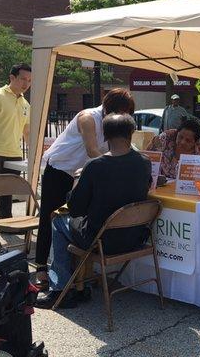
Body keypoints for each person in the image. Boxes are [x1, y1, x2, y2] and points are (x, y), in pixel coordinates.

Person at [36, 113, 152, 308]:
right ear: (131, 134)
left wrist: (76, 180)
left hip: (100, 240)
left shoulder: (94, 166)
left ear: (104, 136)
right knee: (82, 223)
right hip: (135, 238)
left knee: (57, 220)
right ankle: (80, 283)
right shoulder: (144, 162)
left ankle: (60, 289)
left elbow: (75, 208)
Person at [34, 88, 135, 288]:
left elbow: (125, 149)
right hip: (60, 168)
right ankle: (41, 267)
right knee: (50, 216)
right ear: (108, 108)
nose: (123, 117)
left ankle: (76, 269)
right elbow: (92, 151)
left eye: (127, 114)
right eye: (121, 112)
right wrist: (120, 168)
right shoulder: (88, 118)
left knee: (77, 217)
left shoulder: (116, 124)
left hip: (83, 174)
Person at [0, 63, 31, 219]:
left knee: (6, 194)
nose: (26, 84)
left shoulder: (26, 104)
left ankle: (6, 225)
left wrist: (36, 153)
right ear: (12, 77)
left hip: (14, 155)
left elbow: (27, 132)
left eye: (29, 80)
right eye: (23, 79)